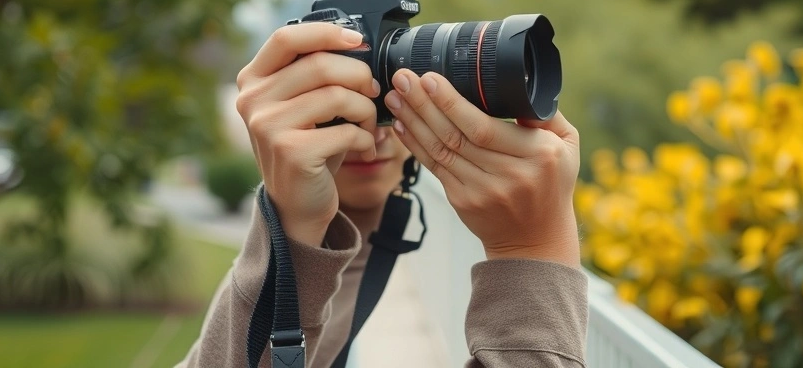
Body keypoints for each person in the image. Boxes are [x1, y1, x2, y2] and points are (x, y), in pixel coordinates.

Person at [178, 21, 588, 368]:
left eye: (386, 93)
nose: (372, 129)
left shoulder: (387, 239)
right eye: (342, 96)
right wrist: (535, 252)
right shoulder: (263, 276)